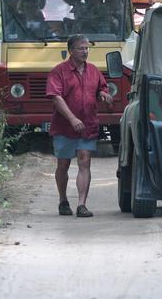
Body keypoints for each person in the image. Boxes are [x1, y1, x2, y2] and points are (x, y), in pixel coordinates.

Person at [45, 34, 113, 217]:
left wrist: (104, 96)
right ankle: (63, 200)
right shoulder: (59, 72)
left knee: (84, 161)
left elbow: (102, 88)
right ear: (71, 51)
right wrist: (72, 119)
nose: (85, 51)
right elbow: (55, 97)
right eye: (81, 48)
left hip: (88, 125)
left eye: (87, 48)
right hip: (64, 127)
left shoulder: (94, 71)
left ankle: (82, 205)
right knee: (63, 164)